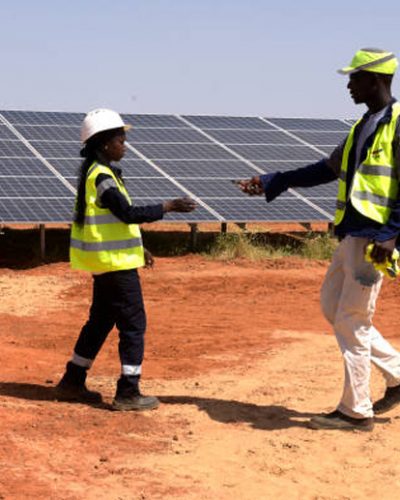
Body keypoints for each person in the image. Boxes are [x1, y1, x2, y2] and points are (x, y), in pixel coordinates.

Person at [238, 48, 400, 431]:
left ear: (374, 79)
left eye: (354, 78)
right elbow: (329, 168)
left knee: (352, 319)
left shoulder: (397, 123)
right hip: (351, 235)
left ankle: (356, 412)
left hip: (375, 238)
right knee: (333, 306)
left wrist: (391, 235)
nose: (348, 85)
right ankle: (397, 374)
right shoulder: (363, 126)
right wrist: (275, 180)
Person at [55, 108, 196, 411]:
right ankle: (128, 391)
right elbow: (128, 213)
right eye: (121, 139)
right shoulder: (103, 177)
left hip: (109, 263)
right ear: (105, 143)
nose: (125, 145)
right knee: (133, 325)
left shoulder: (97, 173)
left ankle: (73, 380)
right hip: (116, 267)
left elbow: (116, 223)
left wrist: (138, 249)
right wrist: (168, 206)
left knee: (100, 322)